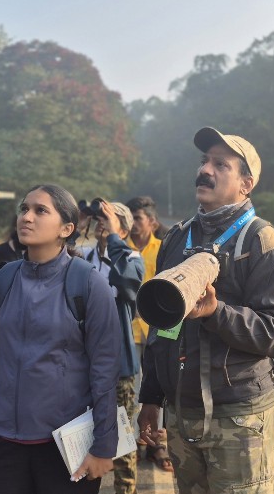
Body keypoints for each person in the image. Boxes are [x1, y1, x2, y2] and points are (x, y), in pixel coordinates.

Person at [138, 127, 274, 494]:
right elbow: (163, 326)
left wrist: (216, 312)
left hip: (239, 416)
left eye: (220, 164)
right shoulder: (177, 237)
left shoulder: (263, 242)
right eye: (204, 162)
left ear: (246, 184)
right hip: (181, 413)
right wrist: (151, 396)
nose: (205, 170)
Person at [0, 184, 121, 494]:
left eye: (40, 210)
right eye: (24, 208)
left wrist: (103, 445)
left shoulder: (87, 284)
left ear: (66, 229)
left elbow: (105, 371)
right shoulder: (1, 282)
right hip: (2, 442)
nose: (26, 217)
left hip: (65, 445)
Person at [79, 199, 145, 494]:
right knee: (81, 434)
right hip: (82, 363)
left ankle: (125, 490)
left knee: (121, 434)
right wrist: (78, 222)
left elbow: (128, 282)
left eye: (109, 219)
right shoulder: (83, 257)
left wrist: (116, 238)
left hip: (118, 365)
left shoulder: (132, 258)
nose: (102, 223)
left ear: (123, 228)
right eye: (100, 219)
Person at [124, 195, 172, 473]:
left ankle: (156, 445)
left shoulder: (164, 248)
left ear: (152, 222)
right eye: (130, 218)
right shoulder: (121, 249)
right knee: (129, 388)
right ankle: (129, 443)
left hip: (157, 328)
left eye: (138, 218)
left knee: (157, 386)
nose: (133, 224)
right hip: (128, 329)